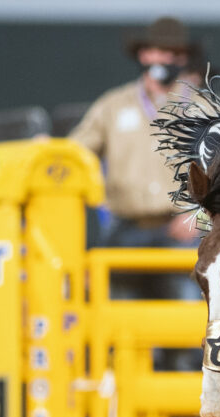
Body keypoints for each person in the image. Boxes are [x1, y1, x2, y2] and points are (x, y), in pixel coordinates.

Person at [70, 15, 205, 268]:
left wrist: (202, 215)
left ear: (184, 58)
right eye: (158, 51)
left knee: (185, 304)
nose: (165, 59)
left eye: (174, 53)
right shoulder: (113, 105)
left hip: (182, 232)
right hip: (124, 230)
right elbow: (76, 153)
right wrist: (52, 152)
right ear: (143, 55)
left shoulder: (203, 109)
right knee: (113, 302)